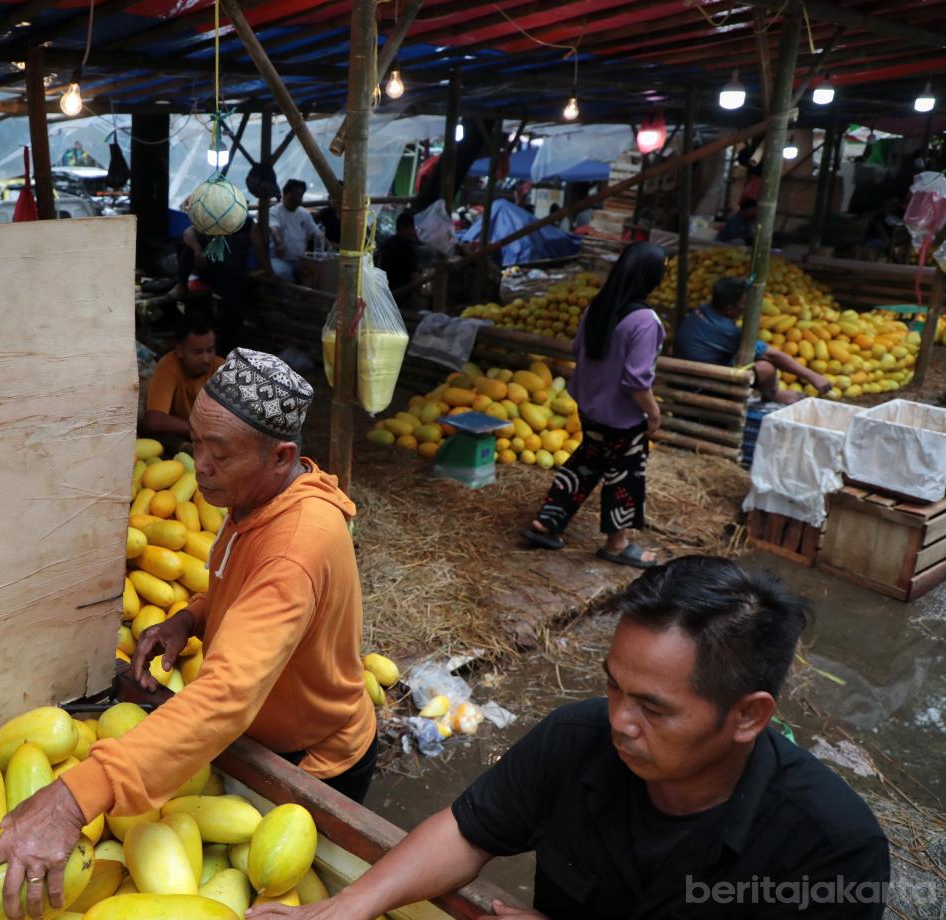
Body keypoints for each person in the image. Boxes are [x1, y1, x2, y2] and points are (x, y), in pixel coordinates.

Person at [0, 349, 377, 920]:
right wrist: (190, 617)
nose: (199, 465)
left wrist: (73, 800)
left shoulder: (297, 545)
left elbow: (226, 697)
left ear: (282, 456)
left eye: (218, 452)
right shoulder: (256, 494)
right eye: (196, 441)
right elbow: (240, 586)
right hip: (258, 739)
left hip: (312, 759)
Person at [251, 556, 890, 920]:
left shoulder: (831, 849)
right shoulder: (580, 736)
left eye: (654, 708)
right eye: (614, 687)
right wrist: (346, 908)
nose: (620, 720)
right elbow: (470, 829)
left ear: (749, 716)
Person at [523, 242, 667, 568]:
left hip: (589, 409)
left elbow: (579, 350)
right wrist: (653, 412)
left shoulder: (596, 307)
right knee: (625, 475)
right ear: (651, 277)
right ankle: (618, 545)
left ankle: (547, 522)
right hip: (622, 418)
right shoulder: (645, 320)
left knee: (585, 462)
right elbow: (636, 380)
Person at [673, 276, 831, 403]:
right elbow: (772, 355)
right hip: (703, 389)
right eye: (743, 302)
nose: (748, 306)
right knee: (767, 367)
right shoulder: (726, 331)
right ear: (729, 307)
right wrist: (812, 376)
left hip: (686, 380)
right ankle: (773, 394)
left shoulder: (702, 310)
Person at [170, 216, 258, 354]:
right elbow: (187, 233)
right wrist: (198, 250)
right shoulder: (213, 216)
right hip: (211, 268)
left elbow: (260, 248)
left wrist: (269, 271)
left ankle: (225, 351)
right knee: (187, 247)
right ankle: (181, 284)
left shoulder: (247, 223)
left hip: (232, 274)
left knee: (230, 310)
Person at [142, 311, 222, 444]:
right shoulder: (168, 367)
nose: (206, 359)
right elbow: (153, 420)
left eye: (210, 350)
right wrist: (200, 430)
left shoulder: (221, 367)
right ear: (179, 350)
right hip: (184, 437)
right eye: (198, 352)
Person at [269, 179, 325, 282]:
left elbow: (317, 233)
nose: (297, 198)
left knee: (320, 273)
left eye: (300, 195)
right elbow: (274, 228)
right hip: (278, 259)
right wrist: (279, 243)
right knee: (284, 273)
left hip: (301, 260)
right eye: (294, 194)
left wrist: (331, 247)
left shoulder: (304, 214)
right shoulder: (274, 211)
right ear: (285, 194)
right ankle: (287, 298)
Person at [376, 211, 422, 310]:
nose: (415, 231)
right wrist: (422, 292)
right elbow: (415, 277)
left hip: (384, 293)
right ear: (403, 228)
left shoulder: (387, 243)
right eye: (413, 228)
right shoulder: (408, 247)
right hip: (402, 297)